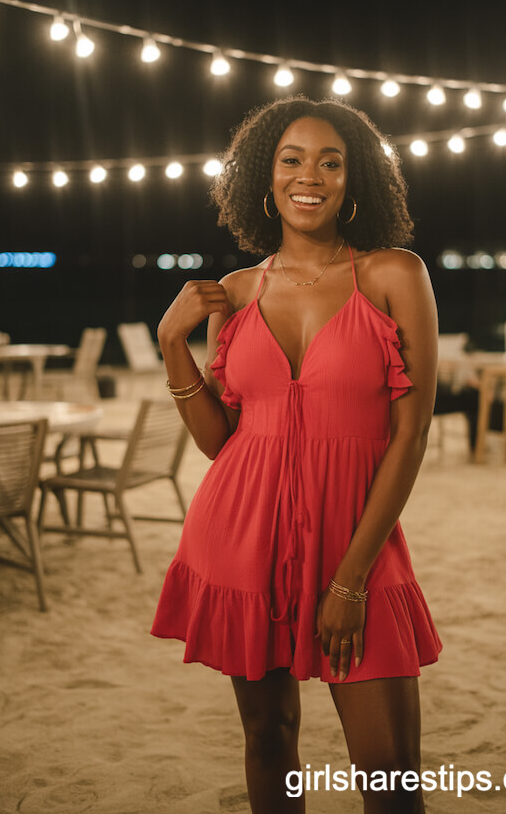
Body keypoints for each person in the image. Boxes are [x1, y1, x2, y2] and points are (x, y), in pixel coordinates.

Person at [151, 97, 442, 813]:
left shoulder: (394, 275)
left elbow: (411, 436)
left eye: (330, 161)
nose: (308, 175)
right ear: (264, 177)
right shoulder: (239, 292)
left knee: (391, 772)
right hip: (243, 541)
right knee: (271, 738)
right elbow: (223, 442)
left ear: (353, 182)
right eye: (291, 159)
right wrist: (171, 344)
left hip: (358, 546)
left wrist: (349, 582)